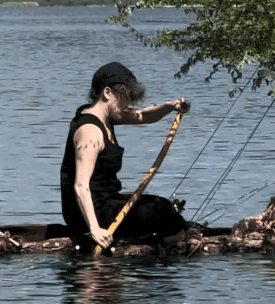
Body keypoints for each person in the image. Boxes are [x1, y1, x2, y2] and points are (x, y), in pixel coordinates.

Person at [60, 62, 191, 249]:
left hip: (105, 204)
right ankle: (177, 250)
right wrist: (95, 229)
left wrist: (171, 106)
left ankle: (178, 232)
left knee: (160, 204)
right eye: (127, 97)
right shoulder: (90, 131)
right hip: (88, 213)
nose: (130, 105)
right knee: (161, 210)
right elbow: (80, 185)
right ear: (107, 93)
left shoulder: (106, 117)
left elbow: (143, 116)